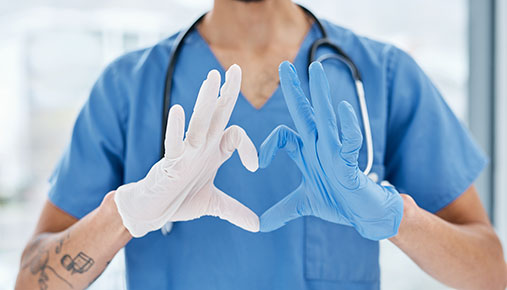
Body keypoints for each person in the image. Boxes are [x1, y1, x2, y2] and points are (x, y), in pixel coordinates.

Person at [15, 0, 507, 289]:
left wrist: (396, 217)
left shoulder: (383, 75)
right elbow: (30, 282)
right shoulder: (127, 87)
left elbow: (489, 272)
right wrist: (121, 215)